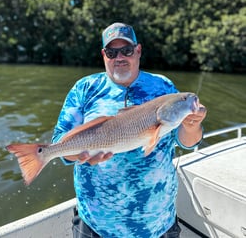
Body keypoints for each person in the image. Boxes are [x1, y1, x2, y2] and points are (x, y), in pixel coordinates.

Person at [52, 22, 206, 238]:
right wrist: (81, 153)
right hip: (96, 224)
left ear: (138, 51)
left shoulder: (164, 87)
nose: (119, 57)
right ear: (103, 54)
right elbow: (60, 141)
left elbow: (188, 142)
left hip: (157, 223)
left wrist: (193, 125)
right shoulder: (84, 88)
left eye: (126, 50)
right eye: (111, 52)